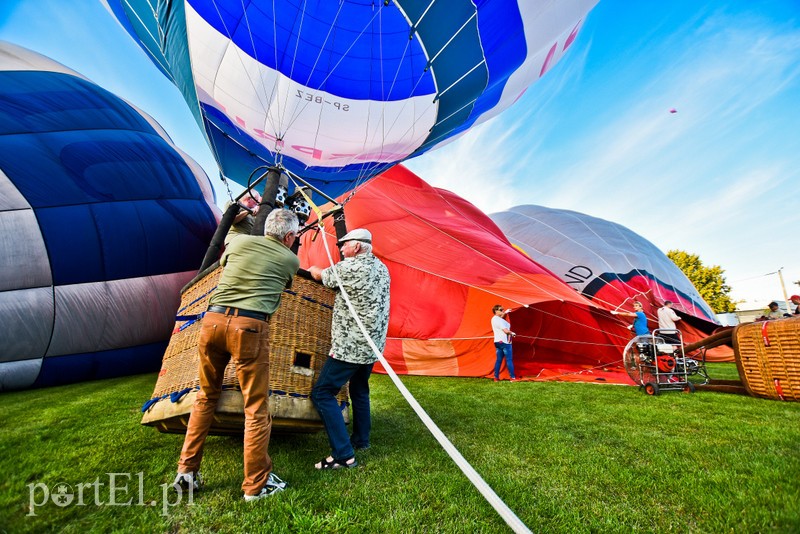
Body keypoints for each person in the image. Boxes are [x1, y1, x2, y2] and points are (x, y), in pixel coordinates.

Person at [172, 209, 300, 501]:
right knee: (255, 408)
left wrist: (241, 215)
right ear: (290, 237)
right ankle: (256, 484)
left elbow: (229, 235)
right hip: (250, 328)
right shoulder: (290, 259)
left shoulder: (239, 244)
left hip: (212, 323)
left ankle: (186, 471)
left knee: (205, 397)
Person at [308, 228, 390, 470]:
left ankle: (344, 455)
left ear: (356, 247)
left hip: (351, 345)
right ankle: (361, 440)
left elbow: (319, 275)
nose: (341, 249)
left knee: (322, 392)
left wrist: (314, 268)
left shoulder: (350, 267)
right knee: (360, 390)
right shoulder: (382, 268)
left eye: (344, 245)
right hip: (373, 345)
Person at [491, 305, 517, 382]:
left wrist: (505, 313)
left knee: (498, 360)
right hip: (505, 342)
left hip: (497, 342)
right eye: (501, 310)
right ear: (496, 311)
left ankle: (496, 377)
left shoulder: (495, 319)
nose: (502, 311)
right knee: (509, 359)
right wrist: (512, 333)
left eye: (503, 309)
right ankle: (512, 378)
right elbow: (505, 331)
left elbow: (500, 318)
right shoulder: (498, 320)